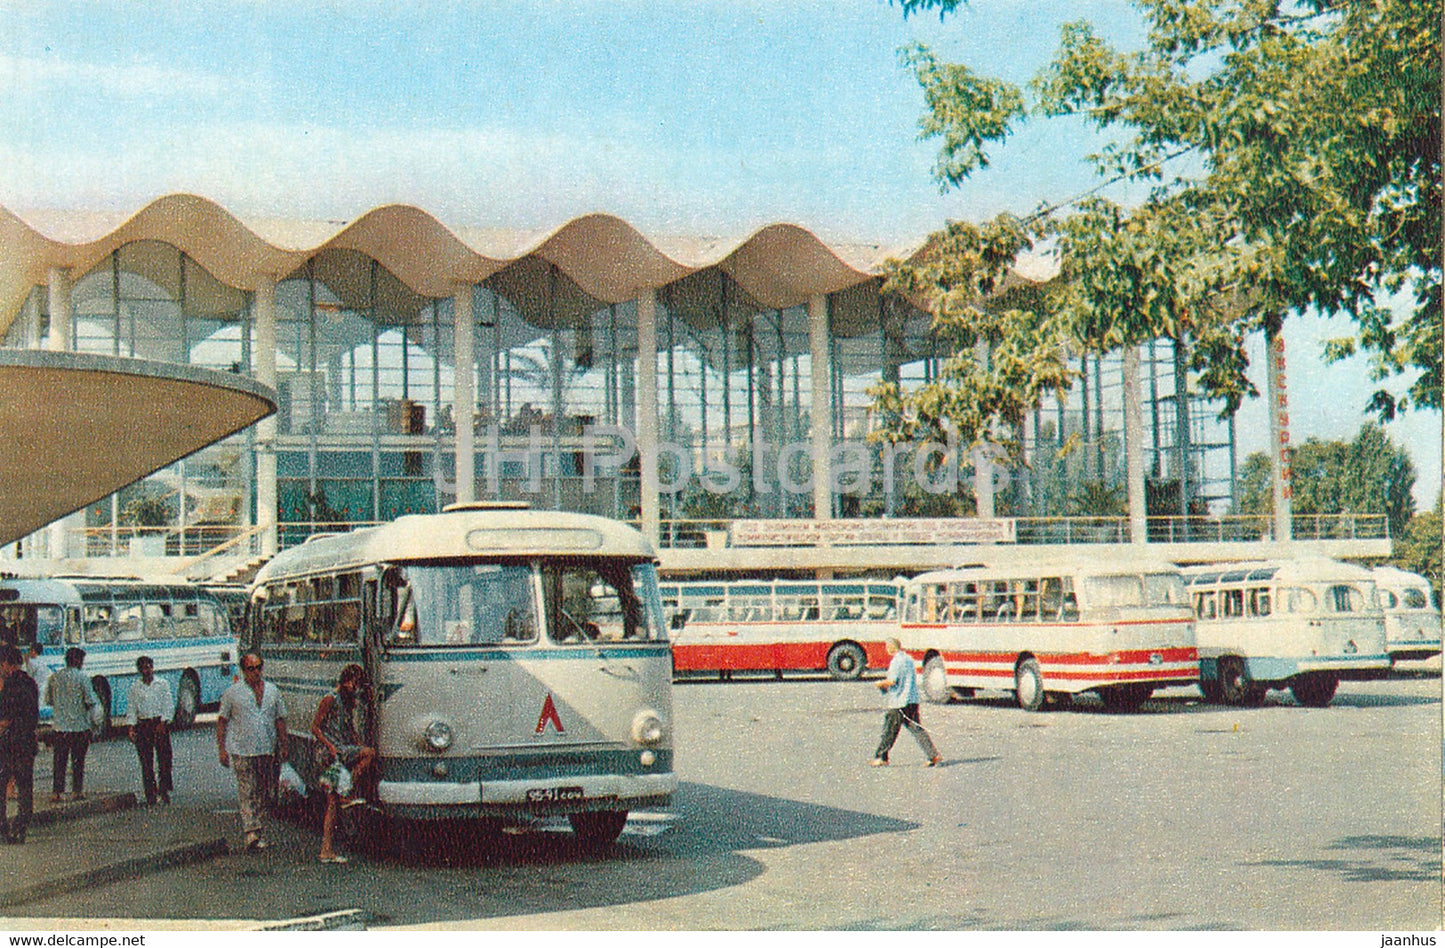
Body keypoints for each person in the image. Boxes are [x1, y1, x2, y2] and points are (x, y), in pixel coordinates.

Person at [217, 653, 288, 851]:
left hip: (266, 749)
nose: (256, 672)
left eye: (258, 667)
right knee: (247, 790)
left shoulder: (272, 691)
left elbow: (280, 719)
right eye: (251, 668)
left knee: (263, 791)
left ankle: (259, 828)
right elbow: (222, 721)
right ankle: (251, 831)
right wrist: (222, 749)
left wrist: (284, 745)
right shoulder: (232, 693)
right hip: (242, 750)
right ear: (243, 670)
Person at [310, 663, 377, 864]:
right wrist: (329, 746)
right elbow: (315, 727)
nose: (354, 688)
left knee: (332, 804)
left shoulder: (348, 702)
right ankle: (346, 791)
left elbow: (350, 729)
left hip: (341, 750)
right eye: (352, 683)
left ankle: (326, 849)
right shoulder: (330, 699)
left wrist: (358, 744)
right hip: (329, 754)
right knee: (369, 754)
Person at [871, 638, 942, 768]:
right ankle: (933, 755)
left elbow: (892, 681)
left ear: (892, 647)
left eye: (887, 646)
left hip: (899, 702)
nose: (886, 648)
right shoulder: (908, 659)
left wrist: (880, 684)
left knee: (889, 731)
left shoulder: (896, 662)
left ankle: (881, 757)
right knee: (917, 729)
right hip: (912, 700)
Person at [45, 647, 97, 802]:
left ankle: (57, 792)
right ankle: (77, 791)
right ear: (78, 660)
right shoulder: (83, 677)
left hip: (60, 727)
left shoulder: (54, 677)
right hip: (79, 727)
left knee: (59, 761)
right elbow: (90, 701)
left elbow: (49, 701)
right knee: (78, 761)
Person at [0, 644, 39, 843]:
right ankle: (21, 826)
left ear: (6, 663)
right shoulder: (31, 683)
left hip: (9, 743)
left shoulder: (8, 685)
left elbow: (5, 718)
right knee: (25, 787)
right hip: (27, 741)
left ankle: (3, 828)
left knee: (2, 785)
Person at [126, 656, 174, 805]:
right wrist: (131, 727)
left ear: (152, 668)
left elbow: (168, 705)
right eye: (143, 668)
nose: (146, 671)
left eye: (148, 667)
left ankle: (164, 789)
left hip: (159, 724)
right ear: (139, 670)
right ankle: (150, 793)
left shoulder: (162, 684)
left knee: (165, 760)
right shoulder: (135, 688)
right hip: (143, 726)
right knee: (146, 762)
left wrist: (163, 722)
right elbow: (132, 708)